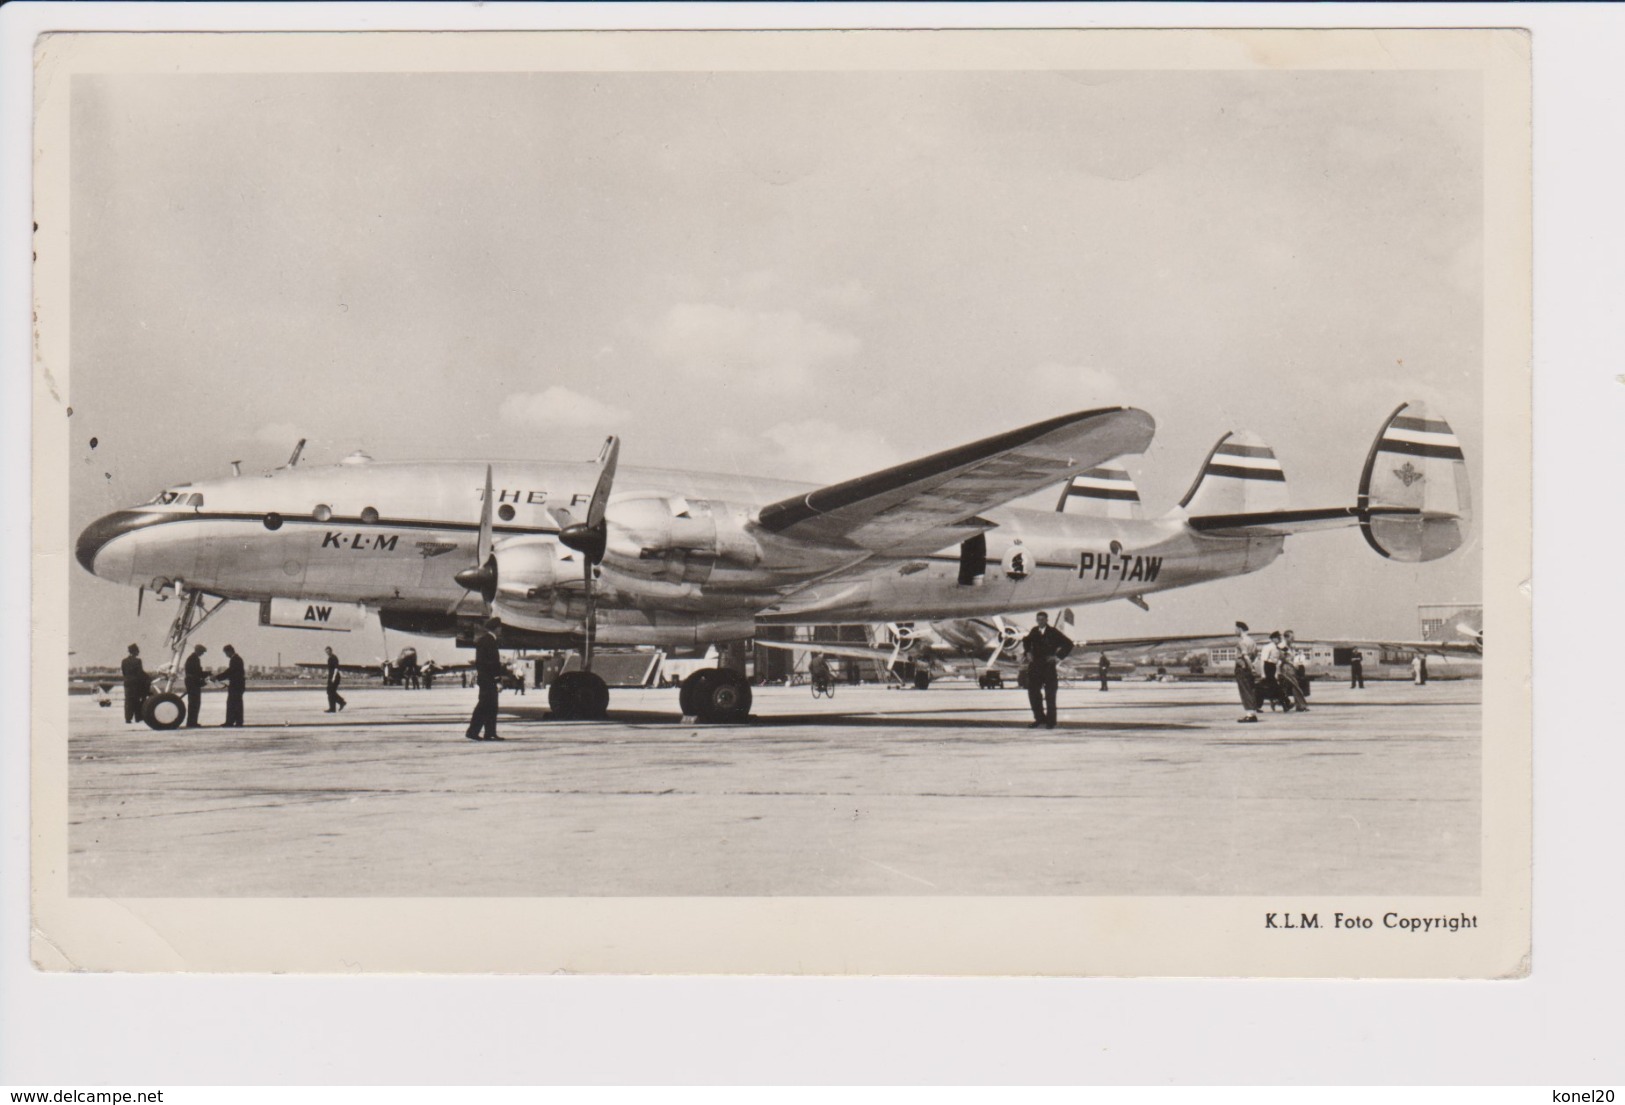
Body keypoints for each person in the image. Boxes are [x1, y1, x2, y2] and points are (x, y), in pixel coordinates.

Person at [1021, 610, 1073, 729]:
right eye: (1038, 619)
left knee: (1050, 695)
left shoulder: (1053, 632)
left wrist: (1057, 656)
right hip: (1035, 667)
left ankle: (1051, 722)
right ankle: (1039, 719)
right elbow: (1026, 640)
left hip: (1048, 667)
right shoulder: (1034, 631)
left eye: (1042, 619)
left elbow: (1068, 643)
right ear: (1036, 620)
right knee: (1033, 694)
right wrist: (1027, 652)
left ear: (1047, 620)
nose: (1040, 622)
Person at [465, 622, 505, 741]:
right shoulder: (490, 641)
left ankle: (490, 733)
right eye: (500, 628)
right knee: (484, 706)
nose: (501, 630)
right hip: (489, 680)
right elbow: (492, 663)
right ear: (496, 628)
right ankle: (473, 732)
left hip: (485, 679)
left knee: (491, 707)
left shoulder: (484, 640)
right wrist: (497, 679)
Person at [1234, 622, 1260, 723]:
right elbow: (1256, 656)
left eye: (1236, 629)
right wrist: (1253, 666)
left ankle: (1250, 715)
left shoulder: (1242, 642)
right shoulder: (1252, 641)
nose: (1235, 631)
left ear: (1240, 629)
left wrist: (1250, 667)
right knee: (1250, 690)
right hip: (1249, 668)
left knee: (1244, 691)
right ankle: (1252, 712)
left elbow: (1245, 656)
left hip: (1243, 668)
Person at [216, 644, 246, 727]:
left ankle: (231, 722)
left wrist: (217, 677)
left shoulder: (235, 659)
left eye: (226, 653)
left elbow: (230, 672)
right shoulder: (237, 659)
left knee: (232, 703)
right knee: (236, 703)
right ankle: (237, 721)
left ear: (229, 651)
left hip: (236, 685)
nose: (226, 655)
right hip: (238, 685)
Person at [120, 643, 150, 725]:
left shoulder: (124, 661)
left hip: (127, 683)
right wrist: (148, 677)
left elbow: (124, 672)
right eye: (137, 651)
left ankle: (128, 719)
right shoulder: (138, 661)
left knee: (128, 701)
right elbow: (140, 673)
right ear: (135, 651)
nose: (138, 652)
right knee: (136, 700)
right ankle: (138, 718)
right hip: (136, 684)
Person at [183, 644, 208, 728]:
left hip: (191, 682)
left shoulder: (192, 658)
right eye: (202, 652)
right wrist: (208, 674)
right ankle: (192, 722)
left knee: (193, 703)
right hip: (193, 683)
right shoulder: (194, 659)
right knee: (194, 703)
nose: (202, 654)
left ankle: (192, 722)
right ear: (198, 651)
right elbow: (198, 673)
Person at [323, 646, 347, 713]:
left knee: (331, 692)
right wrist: (327, 674)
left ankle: (333, 708)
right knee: (330, 692)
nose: (327, 653)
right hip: (331, 677)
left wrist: (333, 677)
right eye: (326, 652)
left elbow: (336, 668)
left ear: (331, 651)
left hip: (335, 677)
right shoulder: (329, 658)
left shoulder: (334, 658)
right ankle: (341, 702)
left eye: (328, 651)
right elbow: (330, 669)